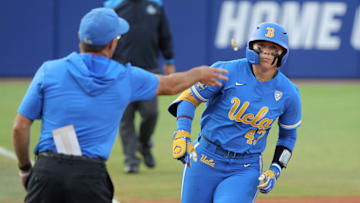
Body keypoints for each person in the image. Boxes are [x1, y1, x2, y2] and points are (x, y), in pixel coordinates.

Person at [12, 7, 228, 203]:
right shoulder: (125, 77)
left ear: (79, 37)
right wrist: (200, 73)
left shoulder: (49, 70)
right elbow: (171, 85)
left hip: (46, 172)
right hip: (90, 178)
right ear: (113, 43)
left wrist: (24, 169)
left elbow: (20, 127)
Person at [168, 22, 302, 203]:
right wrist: (182, 132)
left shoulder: (289, 92)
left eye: (273, 48)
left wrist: (275, 169)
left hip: (245, 168)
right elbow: (189, 98)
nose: (266, 52)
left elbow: (288, 136)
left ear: (283, 53)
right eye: (261, 46)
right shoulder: (226, 70)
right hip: (204, 158)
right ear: (251, 47)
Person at [105, 0, 176, 173]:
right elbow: (105, 35)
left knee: (151, 113)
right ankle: (131, 161)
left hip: (149, 69)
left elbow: (164, 34)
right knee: (125, 118)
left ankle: (144, 144)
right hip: (120, 70)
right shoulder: (112, 5)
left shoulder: (156, 4)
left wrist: (169, 60)